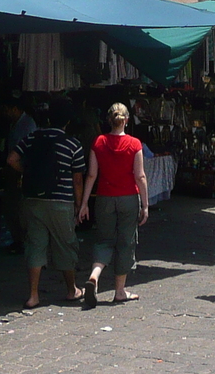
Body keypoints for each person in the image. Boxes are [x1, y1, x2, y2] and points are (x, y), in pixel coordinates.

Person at [7, 102, 87, 309]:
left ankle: (33, 295)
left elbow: (11, 159)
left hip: (32, 199)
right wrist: (80, 205)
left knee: (35, 245)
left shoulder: (31, 138)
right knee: (65, 245)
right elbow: (77, 180)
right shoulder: (73, 144)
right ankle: (72, 290)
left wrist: (27, 172)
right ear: (68, 122)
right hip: (61, 202)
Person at [76, 103, 148, 308]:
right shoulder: (134, 144)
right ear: (126, 120)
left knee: (103, 240)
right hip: (128, 198)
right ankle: (119, 291)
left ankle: (94, 276)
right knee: (126, 242)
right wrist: (145, 204)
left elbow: (91, 175)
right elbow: (140, 176)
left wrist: (84, 204)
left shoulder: (99, 142)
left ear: (109, 120)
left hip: (104, 198)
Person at [0, 94, 37, 254]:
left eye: (8, 110)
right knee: (12, 205)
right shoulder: (16, 124)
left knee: (18, 206)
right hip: (14, 168)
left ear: (15, 109)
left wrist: (23, 172)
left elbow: (27, 151)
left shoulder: (27, 125)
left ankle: (22, 240)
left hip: (20, 168)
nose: (6, 113)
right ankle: (18, 239)